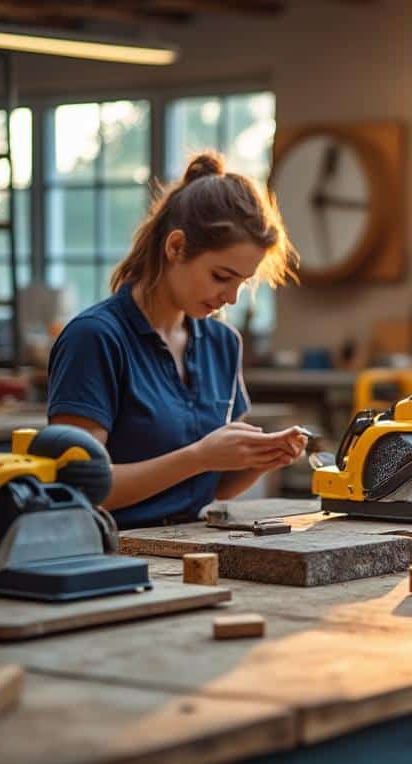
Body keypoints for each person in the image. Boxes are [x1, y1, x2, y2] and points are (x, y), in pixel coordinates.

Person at [47, 151, 307, 528]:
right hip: (105, 546)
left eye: (242, 282)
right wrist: (199, 456)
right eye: (221, 277)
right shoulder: (95, 338)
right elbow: (80, 488)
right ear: (175, 247)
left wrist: (261, 459)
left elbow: (216, 486)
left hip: (189, 542)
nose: (231, 298)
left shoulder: (223, 343)